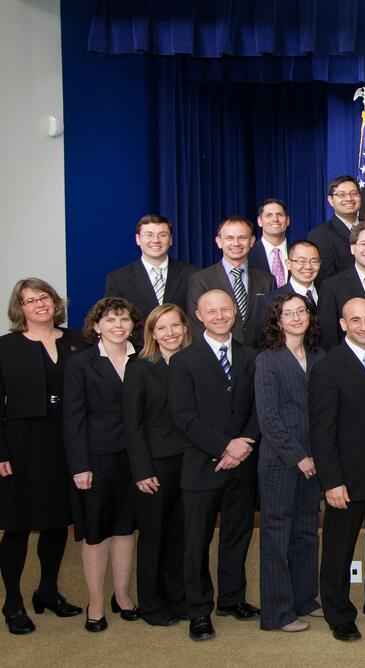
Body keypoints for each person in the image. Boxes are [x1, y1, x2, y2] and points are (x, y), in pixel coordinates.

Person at [169, 289, 261, 641]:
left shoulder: (251, 357)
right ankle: (198, 611)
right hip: (202, 465)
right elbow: (183, 416)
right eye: (212, 310)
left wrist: (241, 447)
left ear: (235, 312)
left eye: (226, 309)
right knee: (196, 542)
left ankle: (232, 598)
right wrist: (225, 446)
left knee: (236, 536)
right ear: (199, 315)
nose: (221, 315)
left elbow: (258, 409)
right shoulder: (183, 361)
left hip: (242, 465)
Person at [309, 298, 365, 642]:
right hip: (347, 478)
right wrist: (331, 481)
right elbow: (322, 431)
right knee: (338, 549)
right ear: (343, 324)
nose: (363, 326)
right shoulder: (329, 367)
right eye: (355, 320)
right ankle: (338, 613)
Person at [0, 279, 84, 635]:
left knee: (55, 520)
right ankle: (12, 601)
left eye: (44, 297)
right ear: (20, 308)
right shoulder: (6, 347)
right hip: (22, 441)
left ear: (55, 301)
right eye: (30, 300)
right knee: (18, 523)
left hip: (66, 437)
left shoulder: (77, 340)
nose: (39, 304)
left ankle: (47, 590)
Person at [63, 297, 140, 632]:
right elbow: (73, 419)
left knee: (126, 529)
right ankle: (95, 602)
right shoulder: (80, 364)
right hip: (95, 460)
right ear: (96, 327)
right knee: (96, 533)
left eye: (123, 319)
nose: (118, 326)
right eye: (110, 320)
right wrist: (80, 465)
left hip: (135, 459)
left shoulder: (143, 359)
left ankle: (122, 596)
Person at [252, 294, 323, 632]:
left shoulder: (319, 357)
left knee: (307, 531)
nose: (296, 317)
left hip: (314, 460)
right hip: (282, 462)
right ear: (277, 320)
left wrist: (315, 457)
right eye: (288, 313)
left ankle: (305, 599)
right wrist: (299, 457)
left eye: (302, 311)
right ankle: (277, 613)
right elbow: (269, 418)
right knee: (277, 535)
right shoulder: (268, 360)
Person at [124, 304, 191, 627]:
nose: (170, 333)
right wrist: (141, 470)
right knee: (154, 536)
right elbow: (133, 424)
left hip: (189, 461)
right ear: (151, 333)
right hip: (155, 465)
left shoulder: (192, 362)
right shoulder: (139, 368)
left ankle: (178, 599)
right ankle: (151, 604)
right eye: (162, 328)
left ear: (185, 327)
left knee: (180, 534)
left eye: (175, 326)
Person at [103, 214, 200, 345]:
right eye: (149, 234)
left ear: (170, 240)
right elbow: (115, 321)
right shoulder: (118, 279)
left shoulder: (193, 274)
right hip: (139, 353)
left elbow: (197, 318)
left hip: (183, 352)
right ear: (137, 239)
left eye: (162, 235)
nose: (155, 240)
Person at [185, 217, 276, 347]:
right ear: (219, 242)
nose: (236, 243)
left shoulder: (267, 280)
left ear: (252, 241)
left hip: (260, 356)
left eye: (242, 237)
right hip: (220, 357)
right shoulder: (200, 280)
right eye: (229, 238)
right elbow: (197, 325)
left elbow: (272, 323)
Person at [308, 176, 362, 283]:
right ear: (330, 200)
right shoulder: (319, 235)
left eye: (354, 193)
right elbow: (325, 281)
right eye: (341, 194)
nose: (349, 199)